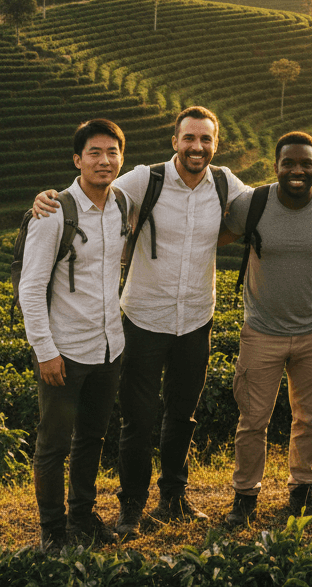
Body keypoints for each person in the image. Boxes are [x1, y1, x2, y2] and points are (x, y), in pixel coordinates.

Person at [33, 106, 249, 535]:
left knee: (182, 414)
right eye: (189, 138)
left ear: (215, 144)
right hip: (143, 319)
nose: (197, 147)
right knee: (138, 418)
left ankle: (174, 496)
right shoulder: (143, 180)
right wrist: (44, 199)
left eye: (206, 139)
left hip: (195, 319)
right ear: (175, 142)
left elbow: (265, 204)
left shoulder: (226, 184)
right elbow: (90, 193)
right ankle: (131, 505)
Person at [218, 131, 312, 529]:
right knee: (252, 420)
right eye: (289, 164)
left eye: (306, 164)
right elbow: (210, 236)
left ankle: (303, 491)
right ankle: (245, 495)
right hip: (261, 330)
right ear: (275, 166)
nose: (297, 171)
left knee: (308, 418)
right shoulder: (254, 204)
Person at [19, 118, 128, 552]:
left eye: (113, 153)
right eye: (95, 153)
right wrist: (45, 351)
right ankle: (52, 531)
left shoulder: (122, 203)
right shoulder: (53, 214)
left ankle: (82, 517)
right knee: (53, 445)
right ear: (77, 159)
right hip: (63, 351)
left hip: (108, 347)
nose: (105, 161)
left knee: (92, 438)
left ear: (122, 158)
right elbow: (30, 286)